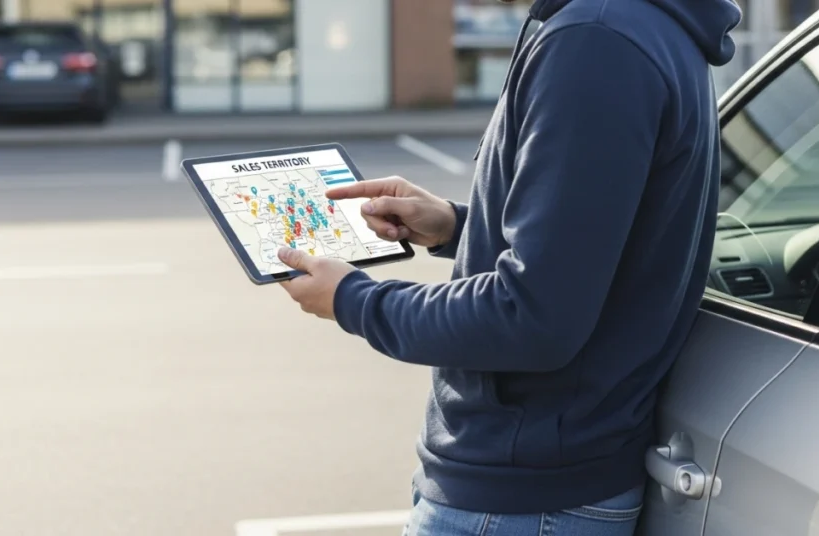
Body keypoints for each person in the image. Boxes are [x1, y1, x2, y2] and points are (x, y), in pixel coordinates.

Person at [275, 0, 741, 534]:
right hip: (541, 482)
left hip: (520, 499)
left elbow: (532, 317)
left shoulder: (597, 39)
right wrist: (454, 224)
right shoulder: (631, 27)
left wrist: (354, 301)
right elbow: (600, 243)